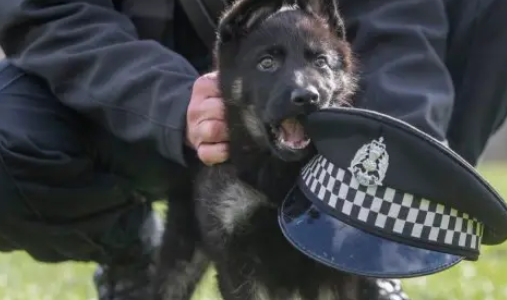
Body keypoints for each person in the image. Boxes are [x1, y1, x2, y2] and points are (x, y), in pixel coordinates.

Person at [0, 0, 506, 299]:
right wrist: (172, 101)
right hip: (142, 105)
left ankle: (371, 246)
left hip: (334, 113)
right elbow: (48, 10)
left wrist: (404, 134)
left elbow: (397, 11)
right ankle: (129, 247)